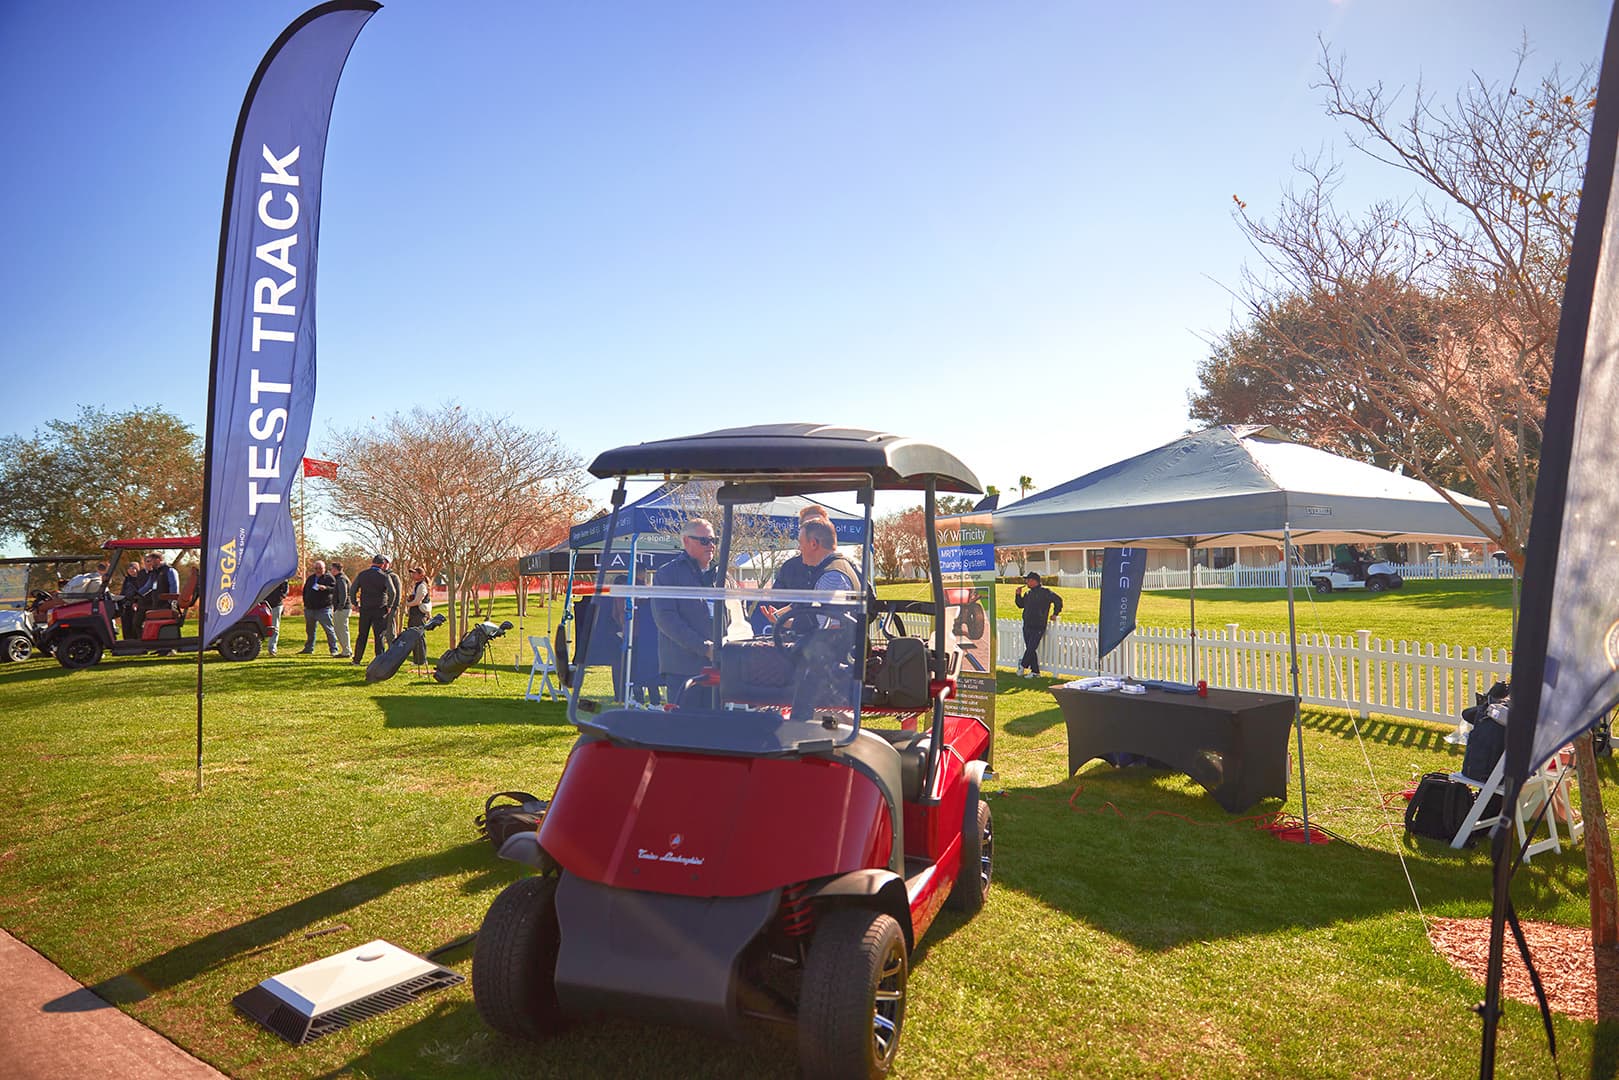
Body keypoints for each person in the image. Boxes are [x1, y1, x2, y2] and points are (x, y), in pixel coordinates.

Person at [652, 518, 720, 707]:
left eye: (714, 540)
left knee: (716, 723)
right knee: (683, 722)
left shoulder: (722, 575)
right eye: (704, 540)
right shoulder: (667, 574)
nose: (711, 545)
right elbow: (666, 619)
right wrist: (704, 647)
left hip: (718, 667)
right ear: (686, 541)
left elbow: (735, 615)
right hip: (683, 669)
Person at [349, 554, 398, 665]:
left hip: (365, 608)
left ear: (372, 562)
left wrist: (355, 603)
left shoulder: (362, 575)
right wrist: (389, 605)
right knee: (379, 635)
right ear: (382, 564)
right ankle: (379, 660)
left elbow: (353, 590)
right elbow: (393, 592)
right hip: (380, 608)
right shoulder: (385, 576)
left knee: (362, 635)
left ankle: (357, 659)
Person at [1015, 571, 1063, 678]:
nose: (1027, 582)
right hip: (1027, 625)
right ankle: (1035, 672)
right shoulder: (1028, 594)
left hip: (1038, 625)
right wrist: (1018, 595)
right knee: (1030, 649)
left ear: (1034, 581)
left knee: (1031, 648)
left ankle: (1022, 666)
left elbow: (1058, 600)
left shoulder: (1046, 592)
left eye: (1028, 580)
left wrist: (1055, 613)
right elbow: (1020, 605)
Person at [299, 560, 340, 656]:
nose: (318, 570)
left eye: (320, 568)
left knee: (329, 630)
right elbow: (305, 591)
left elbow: (335, 590)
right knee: (310, 631)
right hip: (310, 609)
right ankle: (309, 648)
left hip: (323, 609)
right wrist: (305, 603)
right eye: (316, 568)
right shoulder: (311, 578)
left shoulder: (329, 578)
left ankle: (333, 649)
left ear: (324, 568)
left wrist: (326, 588)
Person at [404, 566, 432, 665]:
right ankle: (417, 660)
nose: (413, 575)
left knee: (419, 636)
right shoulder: (417, 585)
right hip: (415, 613)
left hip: (419, 614)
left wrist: (407, 604)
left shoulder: (422, 586)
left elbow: (417, 601)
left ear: (421, 575)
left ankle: (421, 660)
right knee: (414, 636)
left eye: (415, 573)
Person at [328, 561, 352, 658]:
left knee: (342, 630)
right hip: (342, 608)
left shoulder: (341, 579)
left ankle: (346, 651)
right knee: (340, 629)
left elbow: (343, 594)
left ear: (335, 569)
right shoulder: (340, 578)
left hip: (343, 609)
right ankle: (346, 650)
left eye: (331, 569)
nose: (330, 570)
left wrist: (340, 607)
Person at [380, 557, 404, 651]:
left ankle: (392, 651)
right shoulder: (379, 575)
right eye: (383, 563)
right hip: (381, 608)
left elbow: (397, 593)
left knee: (390, 631)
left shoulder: (394, 576)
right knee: (382, 631)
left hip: (391, 608)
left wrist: (393, 607)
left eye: (386, 563)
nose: (384, 565)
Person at [263, 578, 291, 657]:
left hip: (276, 605)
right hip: (263, 604)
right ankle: (255, 646)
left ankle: (272, 648)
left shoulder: (281, 576)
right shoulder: (264, 575)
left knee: (275, 626)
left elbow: (286, 589)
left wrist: (281, 597)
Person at [118, 561, 145, 640]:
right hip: (126, 604)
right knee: (126, 624)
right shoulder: (127, 580)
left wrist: (136, 602)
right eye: (129, 569)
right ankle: (127, 641)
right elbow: (123, 592)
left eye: (133, 568)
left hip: (137, 604)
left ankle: (137, 640)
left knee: (135, 624)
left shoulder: (141, 579)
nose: (131, 570)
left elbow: (142, 592)